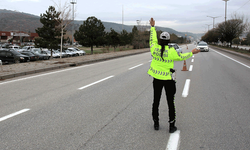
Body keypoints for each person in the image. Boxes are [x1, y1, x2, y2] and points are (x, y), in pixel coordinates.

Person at [148, 18, 200, 133]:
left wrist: (152, 27)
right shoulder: (171, 52)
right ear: (168, 41)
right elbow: (182, 57)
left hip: (157, 79)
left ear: (160, 40)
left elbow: (152, 39)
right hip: (168, 80)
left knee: (155, 101)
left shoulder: (154, 48)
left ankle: (156, 123)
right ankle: (172, 126)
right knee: (170, 102)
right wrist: (192, 52)